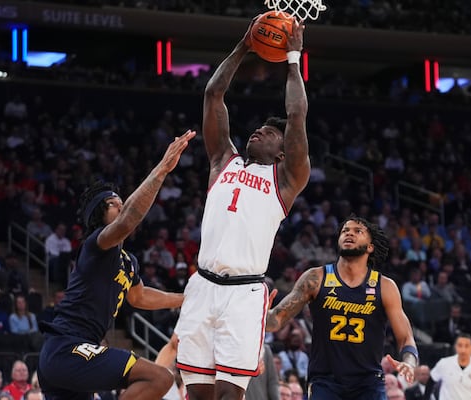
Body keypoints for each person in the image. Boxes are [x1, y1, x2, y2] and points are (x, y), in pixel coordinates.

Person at [174, 16, 311, 400]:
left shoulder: (286, 180)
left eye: (269, 133)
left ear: (282, 151)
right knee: (196, 395)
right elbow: (213, 95)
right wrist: (244, 46)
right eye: (259, 129)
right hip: (202, 286)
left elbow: (297, 114)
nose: (259, 131)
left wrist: (293, 57)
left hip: (243, 294)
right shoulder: (223, 160)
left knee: (228, 397)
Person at [37, 130, 196, 399]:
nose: (120, 205)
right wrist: (161, 170)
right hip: (67, 347)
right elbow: (128, 221)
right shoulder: (96, 245)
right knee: (159, 377)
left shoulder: (128, 261)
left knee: (157, 379)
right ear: (99, 215)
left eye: (121, 201)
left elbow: (140, 296)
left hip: (72, 359)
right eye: (112, 204)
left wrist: (187, 298)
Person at [266, 216, 418, 400]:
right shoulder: (316, 278)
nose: (349, 234)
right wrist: (257, 313)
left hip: (368, 382)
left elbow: (406, 338)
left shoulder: (385, 286)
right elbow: (275, 321)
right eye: (345, 231)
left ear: (370, 247)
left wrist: (409, 362)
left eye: (357, 231)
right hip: (326, 381)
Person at [430, 333, 471, 400]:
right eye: (460, 346)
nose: (463, 350)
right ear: (455, 347)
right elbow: (431, 381)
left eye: (466, 346)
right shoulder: (444, 363)